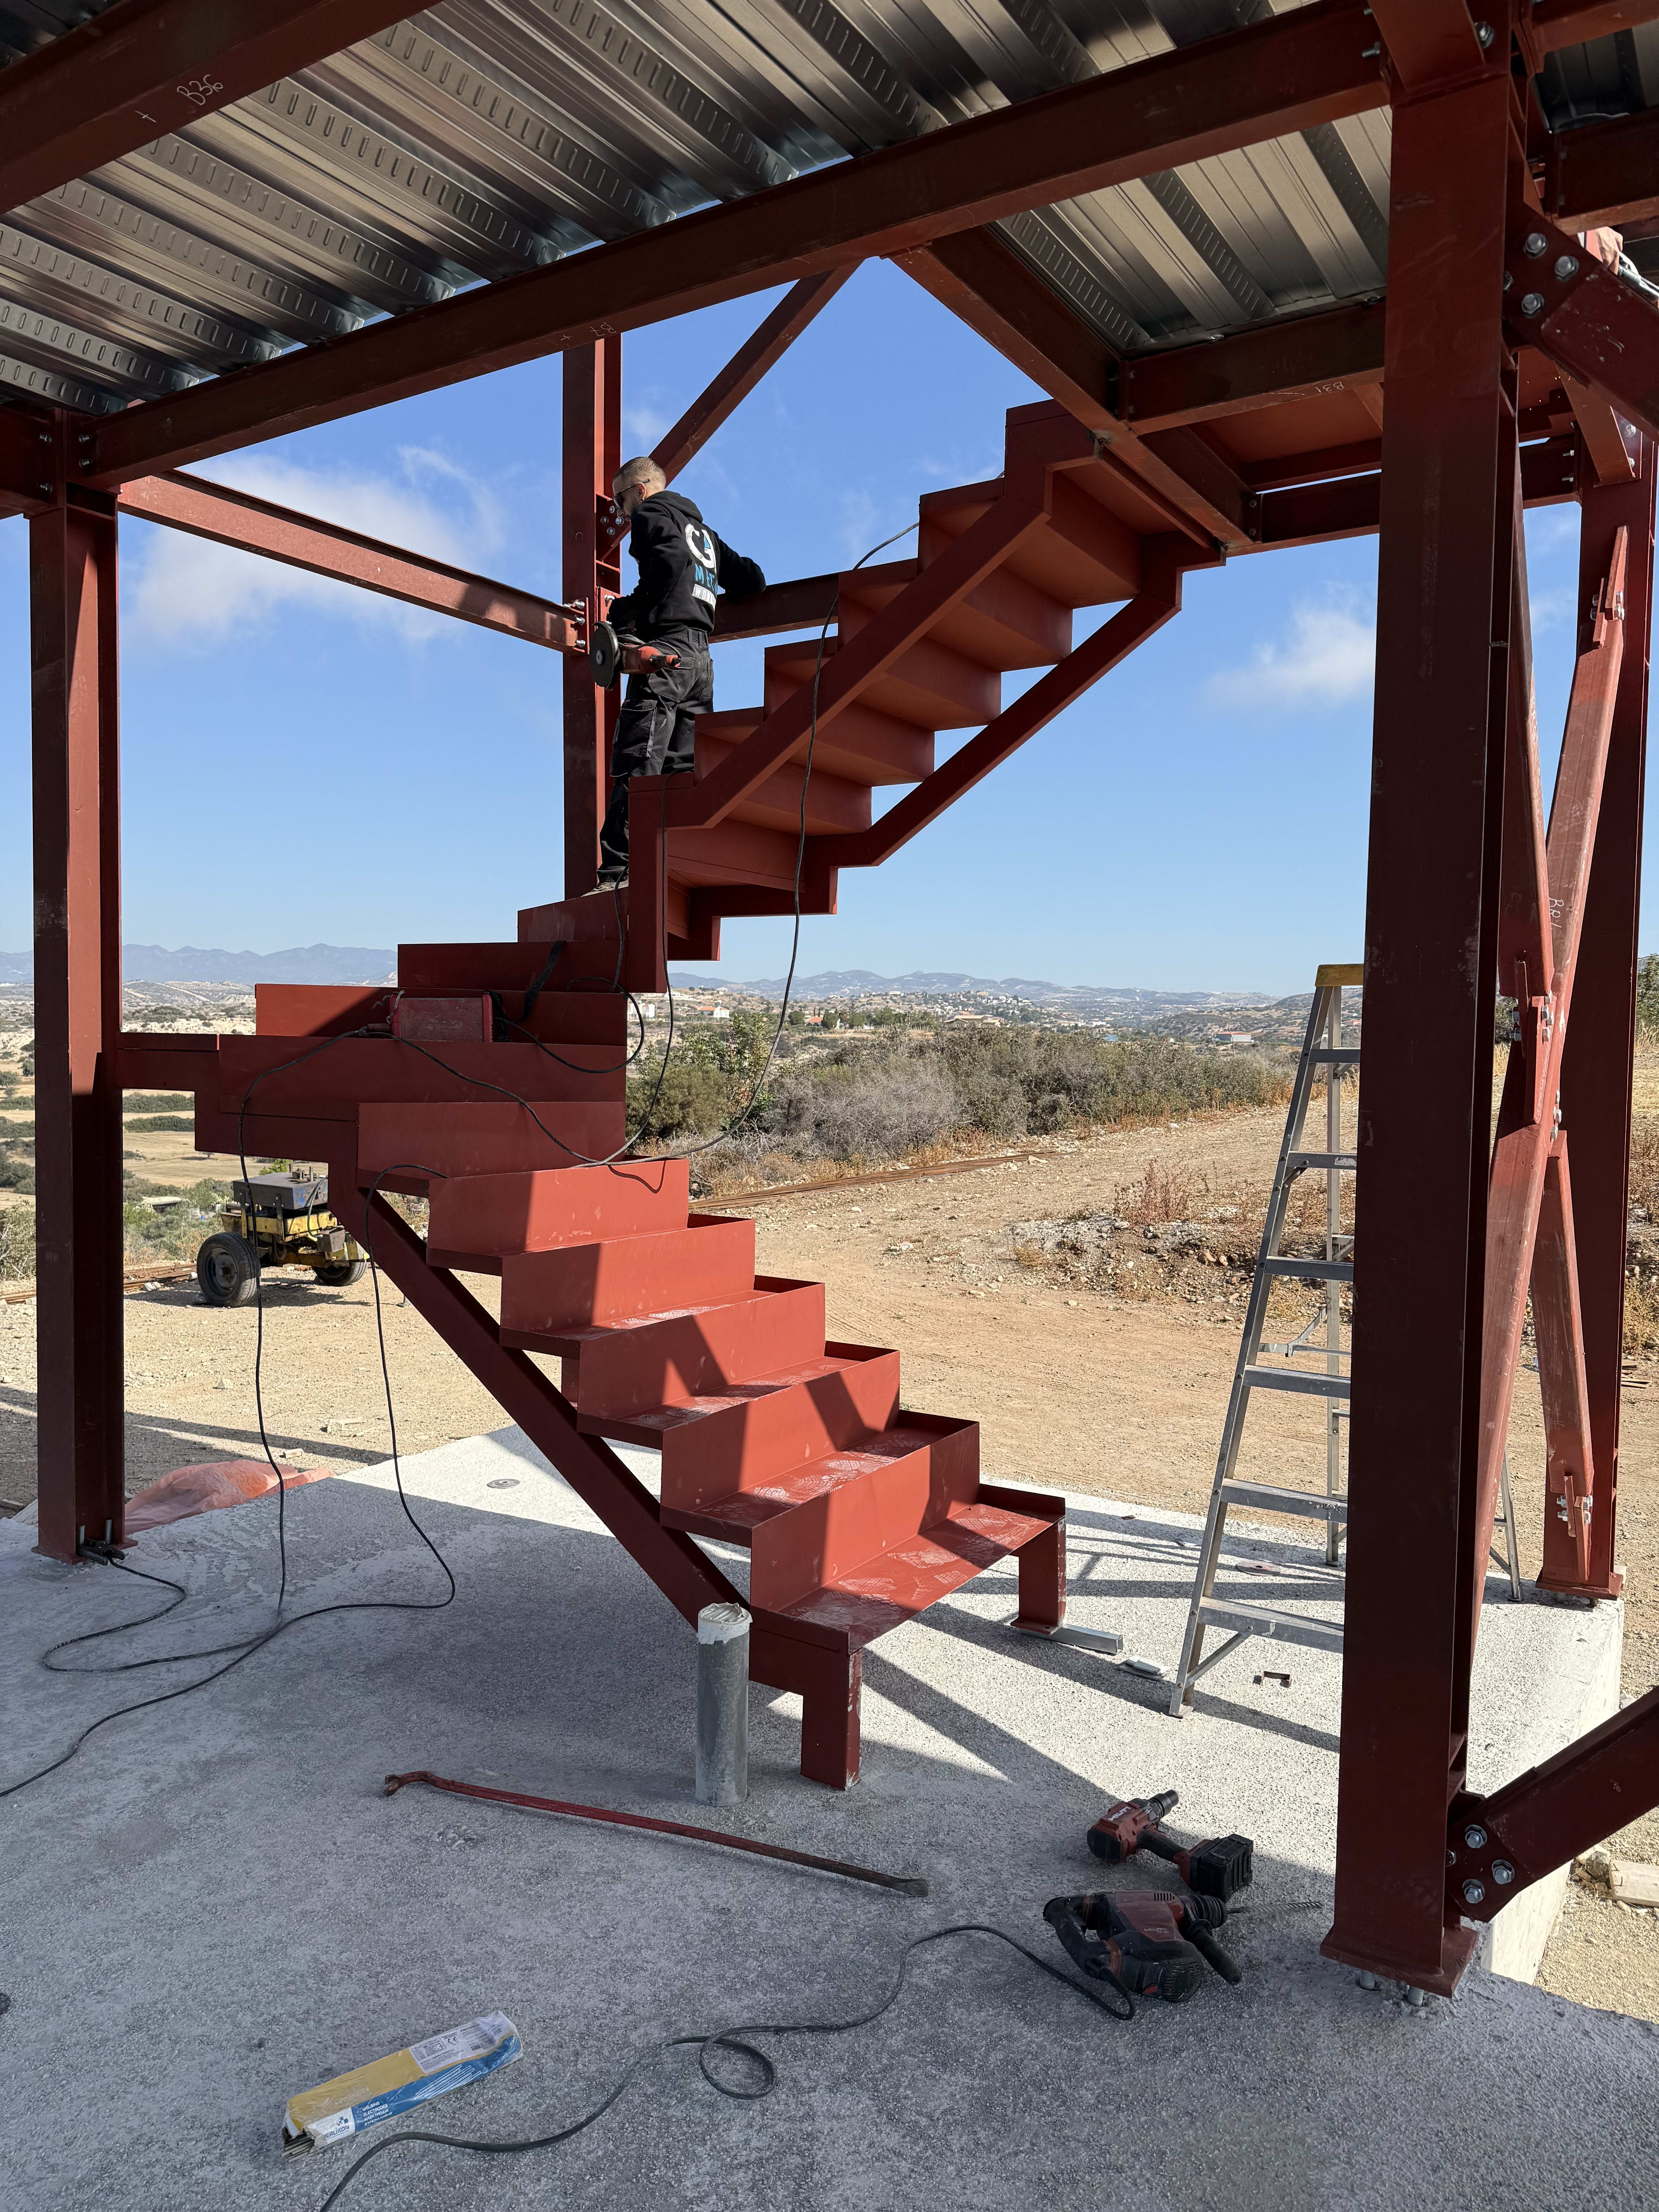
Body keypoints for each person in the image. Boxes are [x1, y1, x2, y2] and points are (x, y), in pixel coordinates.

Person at [591, 457, 766, 891]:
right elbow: (753, 581)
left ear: (642, 491)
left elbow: (666, 568)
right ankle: (672, 869)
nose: (623, 512)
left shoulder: (651, 514)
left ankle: (618, 876)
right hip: (702, 664)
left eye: (622, 499)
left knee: (639, 760)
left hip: (666, 655)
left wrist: (629, 609)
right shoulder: (703, 534)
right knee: (681, 771)